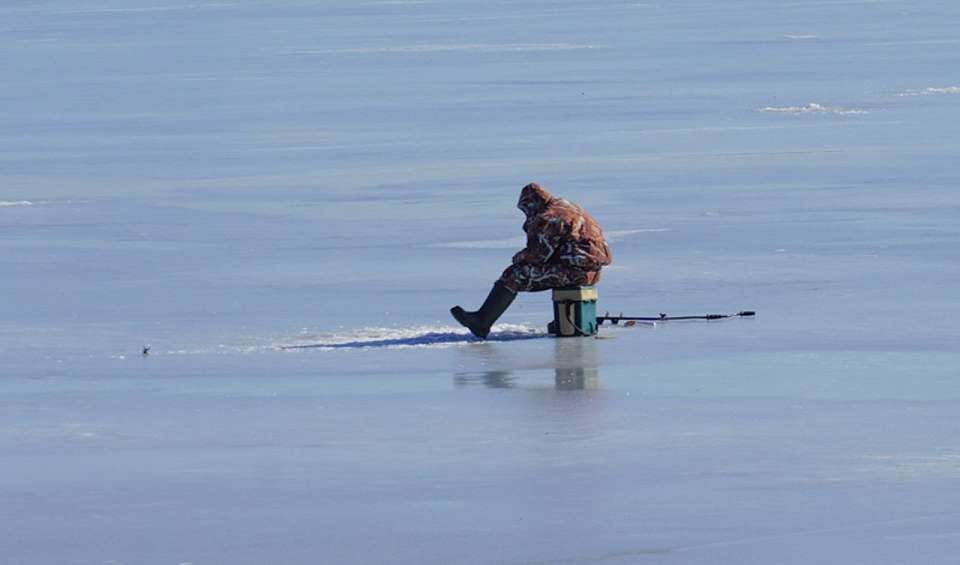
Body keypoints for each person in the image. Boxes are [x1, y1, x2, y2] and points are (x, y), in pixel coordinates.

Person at [451, 182, 612, 338]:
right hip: (591, 272)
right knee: (547, 270)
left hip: (575, 272)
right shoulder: (568, 207)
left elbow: (537, 256)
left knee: (515, 274)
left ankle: (482, 321)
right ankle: (562, 320)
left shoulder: (547, 217)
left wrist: (518, 258)